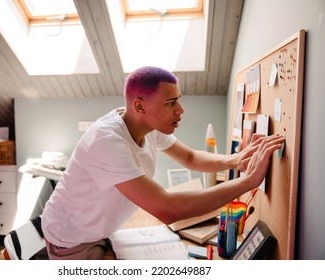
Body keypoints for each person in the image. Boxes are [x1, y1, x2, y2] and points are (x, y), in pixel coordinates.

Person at [41, 66, 284, 260]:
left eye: (178, 100)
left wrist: (235, 160)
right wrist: (248, 182)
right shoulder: (106, 141)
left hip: (99, 228)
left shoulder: (144, 124)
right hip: (71, 239)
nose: (180, 110)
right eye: (170, 103)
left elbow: (189, 157)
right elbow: (167, 209)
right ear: (139, 106)